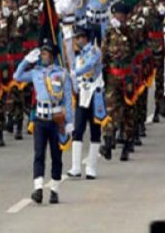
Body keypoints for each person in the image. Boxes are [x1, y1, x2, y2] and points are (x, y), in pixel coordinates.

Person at [14, 41, 73, 205]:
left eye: (46, 54)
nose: (43, 56)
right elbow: (17, 76)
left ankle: (54, 190)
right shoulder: (35, 72)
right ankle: (38, 188)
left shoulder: (61, 73)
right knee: (39, 154)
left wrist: (69, 122)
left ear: (53, 56)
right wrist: (26, 61)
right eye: (42, 54)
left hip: (56, 120)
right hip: (40, 119)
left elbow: (68, 98)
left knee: (56, 156)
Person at [68, 27, 105, 180]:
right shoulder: (78, 56)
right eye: (76, 38)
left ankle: (91, 167)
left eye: (79, 38)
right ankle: (76, 166)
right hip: (83, 94)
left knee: (95, 130)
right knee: (78, 129)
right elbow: (77, 78)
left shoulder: (95, 51)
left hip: (95, 93)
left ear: (85, 38)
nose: (77, 41)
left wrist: (76, 72)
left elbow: (89, 65)